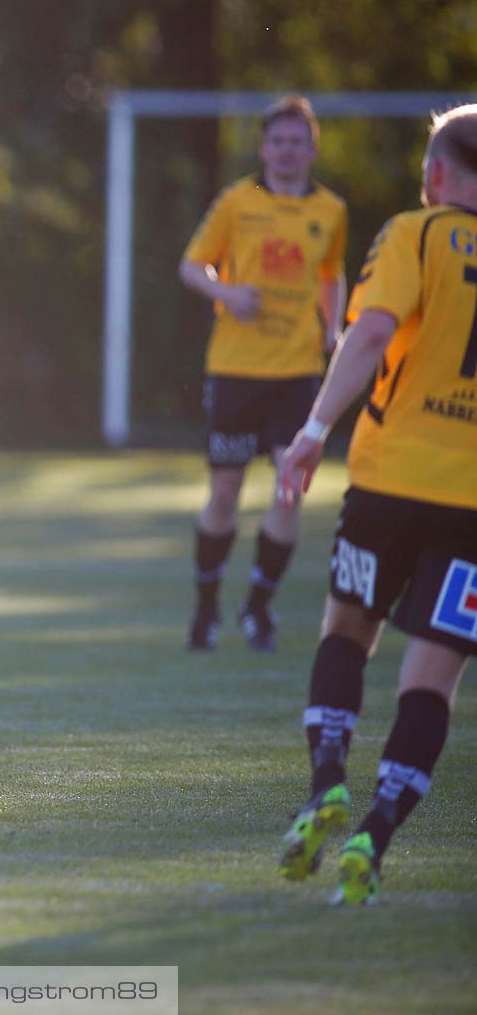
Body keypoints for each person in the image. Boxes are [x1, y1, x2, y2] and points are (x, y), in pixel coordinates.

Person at [273, 103, 477, 906]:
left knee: (348, 633)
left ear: (434, 175)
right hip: (473, 508)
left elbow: (367, 335)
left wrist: (315, 428)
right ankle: (375, 837)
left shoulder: (413, 234)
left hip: (389, 481)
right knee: (434, 679)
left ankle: (328, 784)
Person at [179, 95, 347, 651]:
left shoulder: (331, 212)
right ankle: (205, 609)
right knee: (224, 490)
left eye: (297, 141)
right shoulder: (237, 202)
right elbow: (190, 264)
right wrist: (226, 291)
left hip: (297, 371)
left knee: (289, 490)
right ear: (264, 147)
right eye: (278, 140)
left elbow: (331, 274)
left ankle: (258, 606)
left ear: (311, 148)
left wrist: (334, 326)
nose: (287, 150)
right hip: (235, 369)